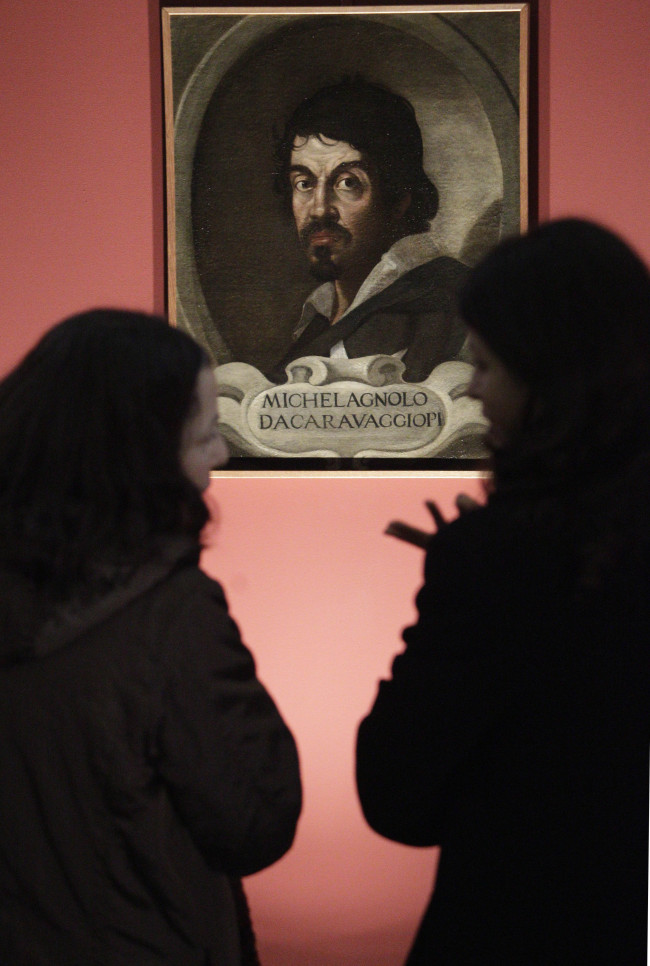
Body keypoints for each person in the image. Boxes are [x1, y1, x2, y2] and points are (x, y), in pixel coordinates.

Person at [355, 219, 650, 964]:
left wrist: (469, 571)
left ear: (550, 378)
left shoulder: (500, 558)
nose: (473, 389)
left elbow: (397, 793)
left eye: (486, 365)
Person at [0, 309, 302, 965]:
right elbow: (255, 820)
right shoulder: (168, 614)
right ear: (138, 460)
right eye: (205, 438)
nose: (222, 456)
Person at [268, 76, 468, 383]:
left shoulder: (441, 300)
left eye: (348, 182)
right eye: (304, 183)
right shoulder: (319, 313)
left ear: (398, 197)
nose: (319, 208)